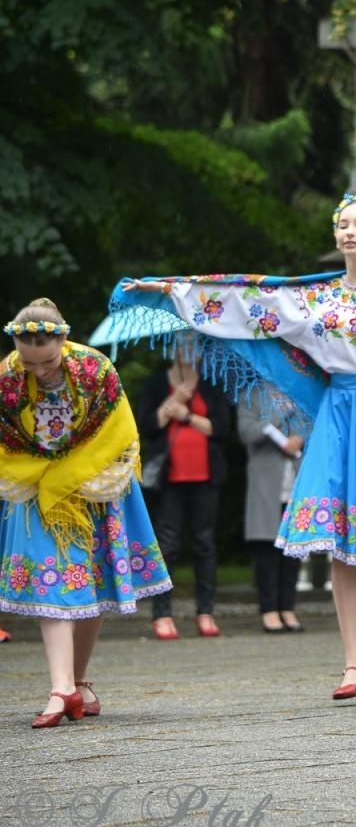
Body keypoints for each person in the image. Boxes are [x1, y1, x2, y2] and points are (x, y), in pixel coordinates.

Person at [113, 192, 356, 706]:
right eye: (342, 224)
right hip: (339, 414)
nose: (350, 231)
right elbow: (242, 300)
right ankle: (353, 662)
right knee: (340, 540)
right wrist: (167, 290)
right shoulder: (310, 300)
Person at [0, 301, 172, 727]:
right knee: (52, 576)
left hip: (96, 480)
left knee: (93, 580)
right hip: (38, 483)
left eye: (47, 361)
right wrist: (42, 470)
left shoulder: (96, 370)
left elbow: (117, 429)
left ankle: (77, 681)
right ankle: (62, 689)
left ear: (63, 341)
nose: (38, 371)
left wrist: (78, 471)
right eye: (28, 362)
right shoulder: (7, 375)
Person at [137, 343, 232, 640]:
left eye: (194, 344)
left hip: (206, 476)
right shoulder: (156, 383)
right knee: (167, 545)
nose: (188, 350)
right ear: (174, 348)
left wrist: (188, 415)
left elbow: (223, 428)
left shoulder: (212, 382)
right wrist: (173, 402)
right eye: (183, 344)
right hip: (169, 479)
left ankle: (205, 611)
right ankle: (162, 614)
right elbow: (147, 427)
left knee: (205, 544)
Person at [238, 397, 305, 633]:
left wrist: (300, 438)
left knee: (293, 549)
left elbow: (313, 420)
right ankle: (268, 609)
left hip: (296, 481)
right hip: (265, 483)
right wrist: (278, 415)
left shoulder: (296, 388)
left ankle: (288, 607)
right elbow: (246, 431)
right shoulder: (252, 394)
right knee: (265, 548)